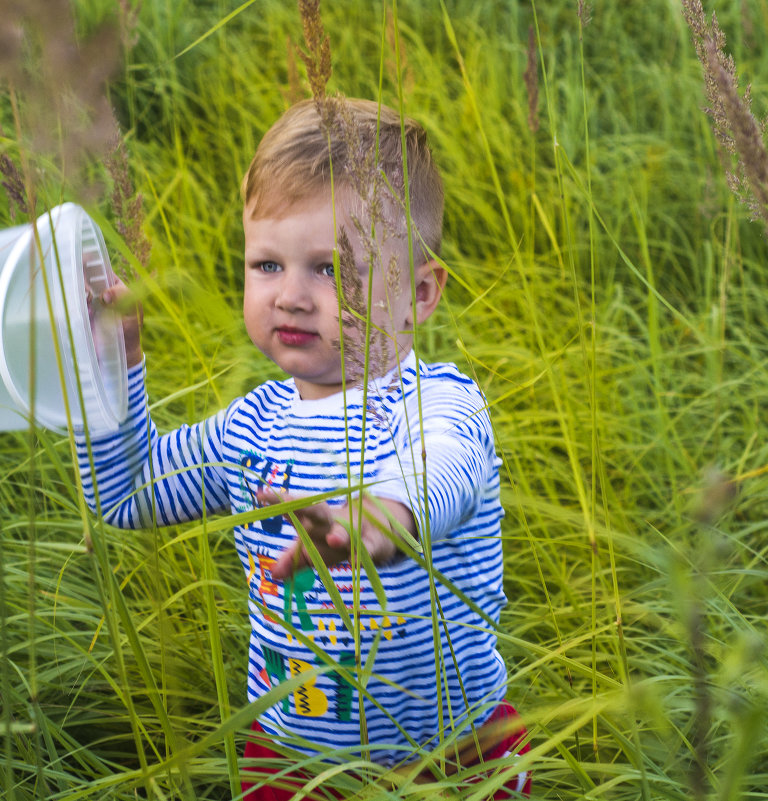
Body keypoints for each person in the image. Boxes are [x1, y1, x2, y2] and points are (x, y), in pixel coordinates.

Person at [76, 97, 530, 798]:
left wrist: (381, 516)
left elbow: (443, 466)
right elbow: (128, 492)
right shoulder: (249, 428)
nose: (290, 295)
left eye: (330, 269)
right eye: (266, 265)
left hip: (453, 753)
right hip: (291, 760)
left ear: (419, 292)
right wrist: (113, 370)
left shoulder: (438, 403)